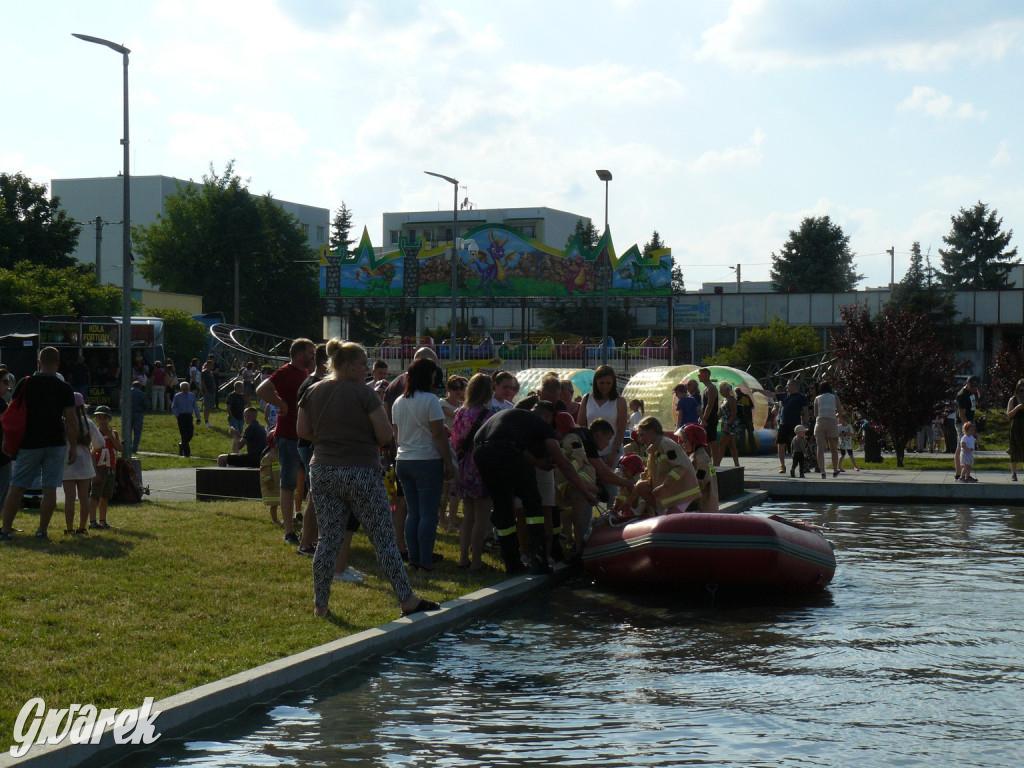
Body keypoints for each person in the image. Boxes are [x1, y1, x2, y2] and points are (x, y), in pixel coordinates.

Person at [296, 339, 439, 619]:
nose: (366, 369)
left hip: (322, 468)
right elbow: (386, 435)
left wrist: (330, 440)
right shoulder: (364, 394)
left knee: (328, 539)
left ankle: (321, 604)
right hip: (360, 469)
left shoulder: (312, 391)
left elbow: (302, 429)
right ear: (348, 366)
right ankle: (406, 598)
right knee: (383, 537)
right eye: (363, 364)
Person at [473, 402, 600, 575]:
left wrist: (538, 463)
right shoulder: (542, 425)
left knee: (502, 506)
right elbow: (564, 464)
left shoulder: (515, 419)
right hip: (507, 451)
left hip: (481, 452)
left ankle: (512, 563)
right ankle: (539, 561)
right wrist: (587, 493)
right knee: (533, 503)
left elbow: (517, 446)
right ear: (548, 417)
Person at [0, 346, 77, 541]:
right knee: (49, 488)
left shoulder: (27, 383)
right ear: (58, 364)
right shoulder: (65, 387)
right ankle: (42, 530)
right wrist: (74, 447)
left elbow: (11, 413)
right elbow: (71, 419)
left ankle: (6, 529)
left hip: (29, 442)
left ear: (38, 363)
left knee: (17, 486)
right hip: (56, 442)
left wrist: (6, 438)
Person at [392, 358, 456, 572]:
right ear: (428, 377)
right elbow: (438, 434)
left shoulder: (398, 401)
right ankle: (425, 561)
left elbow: (397, 436)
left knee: (413, 512)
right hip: (427, 460)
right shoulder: (431, 401)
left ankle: (414, 560)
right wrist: (448, 462)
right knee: (428, 513)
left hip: (404, 460)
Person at [256, 337, 316, 545]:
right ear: (299, 355)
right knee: (288, 483)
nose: (313, 356)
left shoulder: (307, 372)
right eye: (310, 353)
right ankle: (289, 530)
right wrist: (280, 403)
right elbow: (262, 389)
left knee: (311, 484)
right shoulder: (286, 371)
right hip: (288, 436)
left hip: (306, 437)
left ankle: (310, 529)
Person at [450, 374, 495, 571]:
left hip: (463, 466)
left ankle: (462, 558)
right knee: (482, 516)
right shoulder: (489, 415)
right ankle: (476, 560)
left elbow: (456, 440)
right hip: (481, 467)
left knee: (467, 515)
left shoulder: (461, 412)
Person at [629, 416, 701, 516]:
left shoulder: (665, 444)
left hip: (683, 492)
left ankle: (663, 514)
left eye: (642, 435)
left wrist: (664, 486)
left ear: (652, 431)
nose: (641, 439)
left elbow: (681, 467)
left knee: (669, 522)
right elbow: (646, 475)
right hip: (672, 491)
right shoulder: (654, 449)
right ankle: (661, 511)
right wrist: (629, 501)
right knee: (640, 486)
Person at [577, 364, 628, 499]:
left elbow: (622, 429)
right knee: (589, 489)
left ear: (613, 383)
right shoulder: (587, 399)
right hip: (591, 453)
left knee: (612, 491)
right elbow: (581, 426)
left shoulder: (619, 401)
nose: (604, 386)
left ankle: (613, 518)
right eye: (601, 383)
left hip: (612, 451)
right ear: (595, 383)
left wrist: (614, 452)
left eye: (608, 383)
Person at [63, 393, 103, 534]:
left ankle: (69, 528)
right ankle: (82, 527)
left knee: (69, 497)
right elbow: (100, 443)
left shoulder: (63, 422)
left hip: (67, 462)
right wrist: (90, 449)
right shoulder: (88, 422)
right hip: (85, 463)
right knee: (83, 497)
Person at [439, 375, 466, 533]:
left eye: (461, 388)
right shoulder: (441, 403)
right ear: (448, 389)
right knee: (446, 488)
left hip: (458, 449)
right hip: (446, 448)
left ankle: (452, 522)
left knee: (456, 489)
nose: (458, 391)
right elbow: (454, 415)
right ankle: (442, 518)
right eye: (454, 388)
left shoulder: (463, 405)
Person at [89, 405, 121, 530]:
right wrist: (94, 472)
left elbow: (119, 448)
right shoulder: (94, 434)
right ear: (96, 420)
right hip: (99, 467)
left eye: (105, 418)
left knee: (105, 495)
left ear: (110, 419)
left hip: (110, 468)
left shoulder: (114, 433)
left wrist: (111, 436)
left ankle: (103, 520)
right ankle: (92, 521)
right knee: (94, 495)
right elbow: (92, 453)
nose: (102, 421)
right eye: (99, 418)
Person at [679, 423, 719, 511]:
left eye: (685, 441)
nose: (683, 445)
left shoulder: (702, 459)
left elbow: (700, 481)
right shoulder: (697, 455)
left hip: (705, 508)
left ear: (694, 441)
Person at [775, 380, 810, 474]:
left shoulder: (801, 397)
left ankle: (802, 465)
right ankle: (782, 465)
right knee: (781, 444)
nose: (786, 387)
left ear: (794, 386)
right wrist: (757, 390)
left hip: (795, 424)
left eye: (788, 385)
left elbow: (805, 411)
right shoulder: (784, 395)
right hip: (783, 423)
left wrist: (805, 423)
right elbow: (771, 394)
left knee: (798, 445)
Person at [814, 381, 843, 479]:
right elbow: (840, 411)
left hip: (820, 421)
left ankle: (822, 471)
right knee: (833, 447)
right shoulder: (835, 397)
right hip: (831, 421)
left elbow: (815, 413)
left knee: (820, 447)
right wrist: (834, 416)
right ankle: (835, 470)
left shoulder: (817, 398)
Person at [953, 376, 980, 481]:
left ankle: (966, 473)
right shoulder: (962, 395)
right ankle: (959, 473)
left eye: (975, 385)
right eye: (972, 385)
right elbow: (961, 414)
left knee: (966, 447)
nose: (974, 387)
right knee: (961, 446)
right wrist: (968, 427)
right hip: (962, 424)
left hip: (970, 422)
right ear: (967, 383)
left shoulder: (972, 393)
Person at [696, 367, 720, 465]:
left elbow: (710, 405)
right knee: (707, 443)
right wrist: (701, 417)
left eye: (700, 375)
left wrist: (704, 419)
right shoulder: (706, 388)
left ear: (706, 375)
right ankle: (710, 465)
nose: (699, 377)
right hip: (706, 418)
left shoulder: (711, 388)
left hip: (710, 419)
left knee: (712, 443)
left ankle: (716, 465)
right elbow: (704, 406)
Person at [716, 381, 742, 467]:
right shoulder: (724, 400)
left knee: (722, 444)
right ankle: (737, 464)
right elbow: (720, 413)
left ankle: (717, 463)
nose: (720, 392)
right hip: (725, 423)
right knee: (732, 445)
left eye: (721, 390)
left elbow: (733, 413)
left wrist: (727, 425)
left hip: (730, 424)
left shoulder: (731, 399)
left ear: (726, 390)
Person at [1007, 379, 1024, 481]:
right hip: (1016, 426)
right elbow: (1008, 415)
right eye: (1021, 390)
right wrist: (1017, 408)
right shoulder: (1013, 399)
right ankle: (1014, 473)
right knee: (1014, 450)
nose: (1023, 392)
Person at [129, 379, 148, 455]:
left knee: (128, 432)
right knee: (137, 432)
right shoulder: (141, 393)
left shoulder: (128, 392)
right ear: (139, 386)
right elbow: (146, 404)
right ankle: (135, 448)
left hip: (128, 414)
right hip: (138, 413)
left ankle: (128, 447)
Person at [201, 357, 217, 426]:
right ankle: (206, 421)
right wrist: (206, 391)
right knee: (206, 406)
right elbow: (203, 382)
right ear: (208, 365)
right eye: (212, 365)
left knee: (209, 407)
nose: (213, 366)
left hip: (212, 391)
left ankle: (207, 420)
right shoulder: (204, 372)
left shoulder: (210, 372)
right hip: (207, 392)